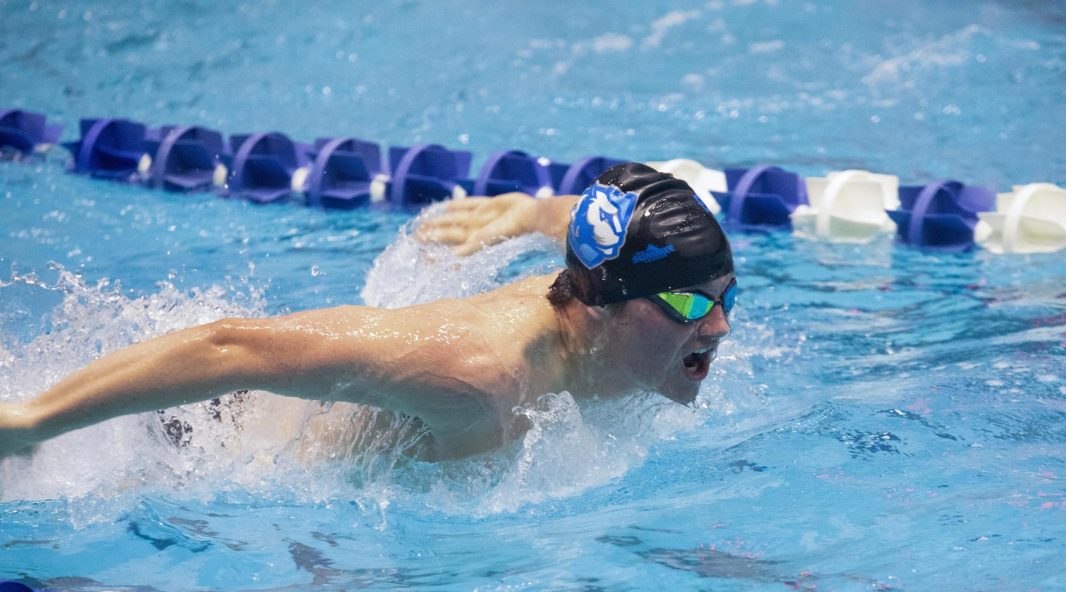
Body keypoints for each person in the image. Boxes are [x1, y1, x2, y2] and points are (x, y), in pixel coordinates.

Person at [0, 163, 737, 462]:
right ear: (601, 306)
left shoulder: (613, 292)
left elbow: (605, 213)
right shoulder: (478, 373)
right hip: (210, 439)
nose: (719, 326)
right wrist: (35, 424)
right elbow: (230, 348)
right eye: (688, 304)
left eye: (727, 296)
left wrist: (524, 212)